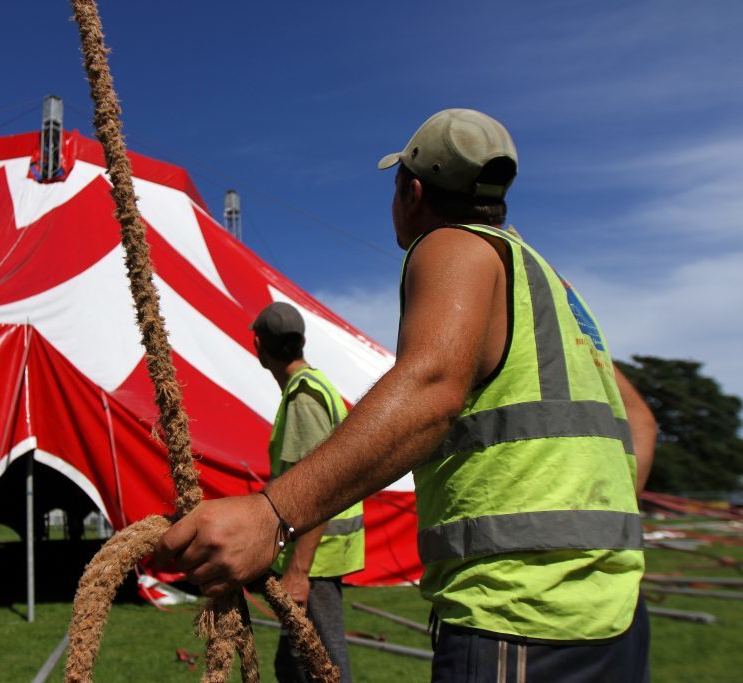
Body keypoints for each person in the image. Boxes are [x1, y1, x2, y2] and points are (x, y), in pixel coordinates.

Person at [156, 109, 657, 681]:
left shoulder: (451, 244)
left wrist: (271, 514)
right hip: (614, 611)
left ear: (411, 190)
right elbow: (639, 422)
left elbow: (431, 386)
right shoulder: (557, 293)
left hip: (517, 613)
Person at [250, 301, 364, 683]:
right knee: (293, 667)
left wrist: (298, 572)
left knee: (324, 665)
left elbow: (317, 489)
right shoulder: (313, 388)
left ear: (258, 346)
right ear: (301, 342)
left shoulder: (303, 396)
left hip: (315, 562)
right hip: (312, 557)